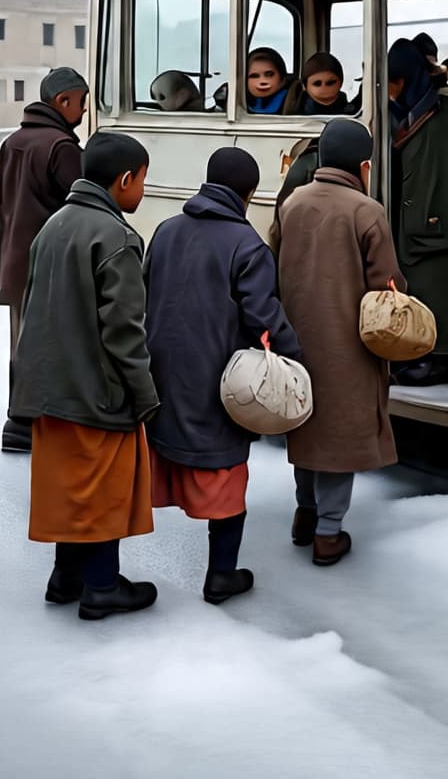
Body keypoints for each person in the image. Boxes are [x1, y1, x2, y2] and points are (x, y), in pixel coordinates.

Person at [11, 131, 160, 621]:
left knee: (69, 485)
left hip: (48, 387)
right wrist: (143, 395)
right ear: (123, 180)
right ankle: (101, 586)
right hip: (97, 390)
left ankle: (66, 576)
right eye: (142, 180)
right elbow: (124, 331)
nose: (142, 190)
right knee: (103, 488)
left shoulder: (54, 224)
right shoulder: (117, 238)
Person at [145, 147, 301, 604]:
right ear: (249, 194)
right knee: (225, 472)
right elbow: (263, 315)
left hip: (161, 372)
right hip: (218, 375)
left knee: (166, 451)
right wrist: (296, 357)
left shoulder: (166, 230)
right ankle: (221, 575)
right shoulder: (247, 244)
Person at [278, 119, 405, 565]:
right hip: (348, 342)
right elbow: (386, 283)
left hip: (296, 334)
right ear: (365, 166)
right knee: (339, 433)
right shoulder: (366, 210)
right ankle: (329, 534)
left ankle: (305, 513)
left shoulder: (293, 202)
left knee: (306, 424)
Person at [0, 66, 88, 453]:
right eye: (81, 102)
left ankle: (18, 419)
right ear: (63, 102)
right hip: (52, 265)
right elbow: (83, 202)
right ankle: (35, 425)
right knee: (53, 346)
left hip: (16, 261)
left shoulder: (13, 141)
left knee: (22, 345)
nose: (83, 110)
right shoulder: (61, 147)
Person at [387, 38, 448, 386]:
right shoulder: (408, 111)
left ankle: (445, 358)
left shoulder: (446, 113)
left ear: (406, 78)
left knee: (443, 288)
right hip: (418, 219)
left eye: (394, 80)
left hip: (442, 217)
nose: (390, 89)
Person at [245, 46, 302, 114]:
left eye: (269, 75)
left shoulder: (298, 102)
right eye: (254, 76)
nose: (263, 81)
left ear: (282, 77)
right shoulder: (238, 102)